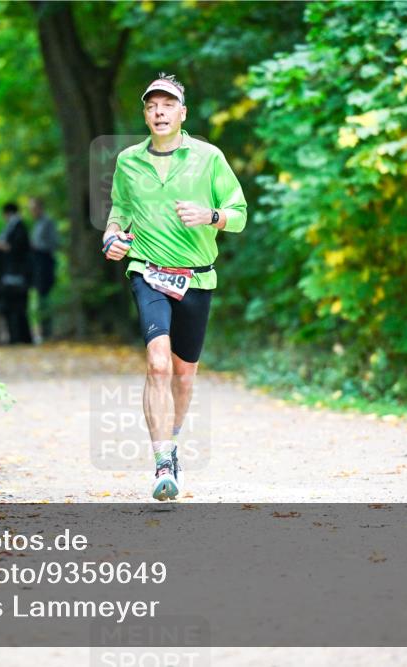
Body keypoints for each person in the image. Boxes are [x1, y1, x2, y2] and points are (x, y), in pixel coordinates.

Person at [102, 73, 247, 501]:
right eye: (151, 106)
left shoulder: (209, 157)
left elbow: (238, 213)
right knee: (158, 364)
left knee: (184, 376)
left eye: (167, 105)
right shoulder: (128, 161)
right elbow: (118, 212)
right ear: (145, 114)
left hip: (198, 275)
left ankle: (174, 439)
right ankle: (162, 460)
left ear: (182, 114)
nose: (159, 112)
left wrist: (211, 215)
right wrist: (111, 239)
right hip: (147, 271)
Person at [0, 202, 33, 345]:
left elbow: (16, 248)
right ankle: (16, 336)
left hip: (16, 275)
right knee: (14, 307)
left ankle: (19, 337)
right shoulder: (15, 227)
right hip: (13, 275)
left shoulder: (18, 228)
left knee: (16, 307)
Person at [28, 197, 60, 341]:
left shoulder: (48, 222)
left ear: (40, 208)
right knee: (40, 297)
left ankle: (48, 332)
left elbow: (55, 243)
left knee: (45, 297)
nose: (31, 211)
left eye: (33, 208)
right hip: (37, 263)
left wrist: (38, 247)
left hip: (46, 262)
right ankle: (43, 331)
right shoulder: (36, 224)